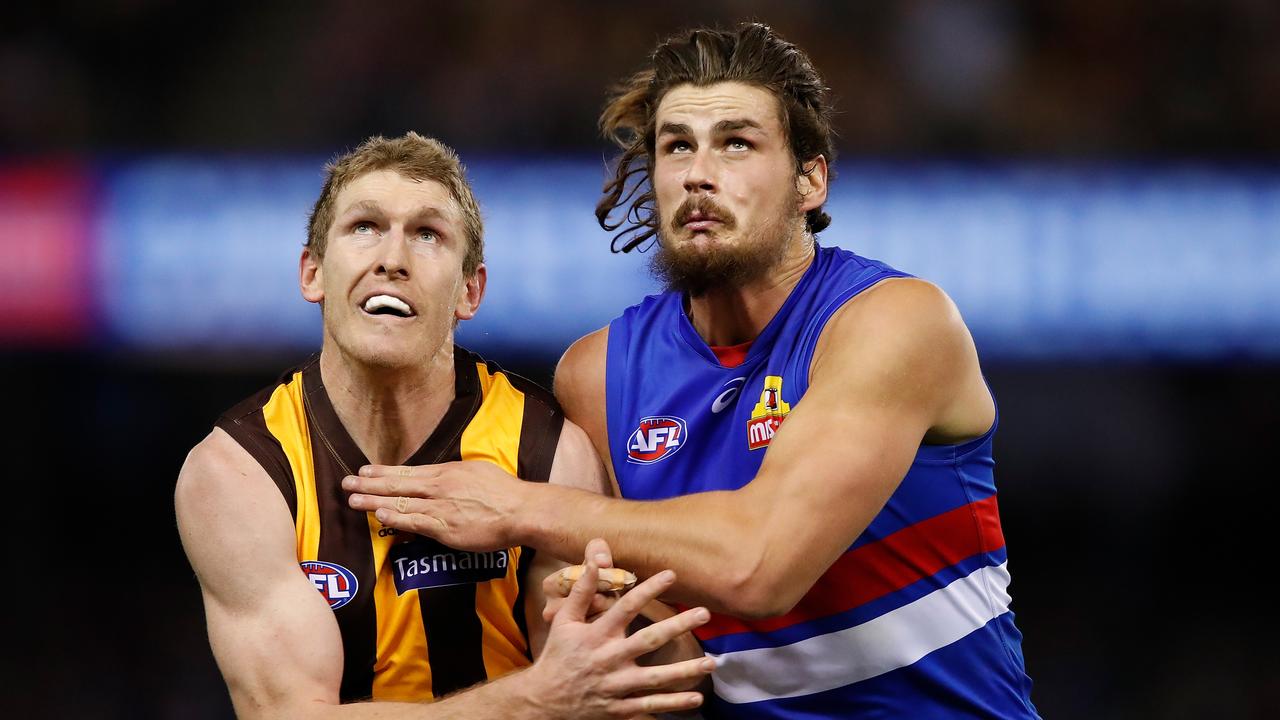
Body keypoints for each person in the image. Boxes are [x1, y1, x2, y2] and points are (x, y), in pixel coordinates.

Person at [344, 25, 1039, 719]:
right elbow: (675, 668)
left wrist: (519, 509)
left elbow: (760, 567)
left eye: (737, 142)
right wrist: (600, 622)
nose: (699, 173)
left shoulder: (893, 322)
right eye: (677, 145)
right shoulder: (599, 376)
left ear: (810, 178)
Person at [174, 132, 713, 719]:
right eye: (363, 228)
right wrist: (533, 700)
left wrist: (631, 628)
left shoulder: (547, 450)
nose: (392, 259)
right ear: (312, 274)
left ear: (469, 291)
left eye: (427, 235)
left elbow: (640, 687)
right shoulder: (240, 473)